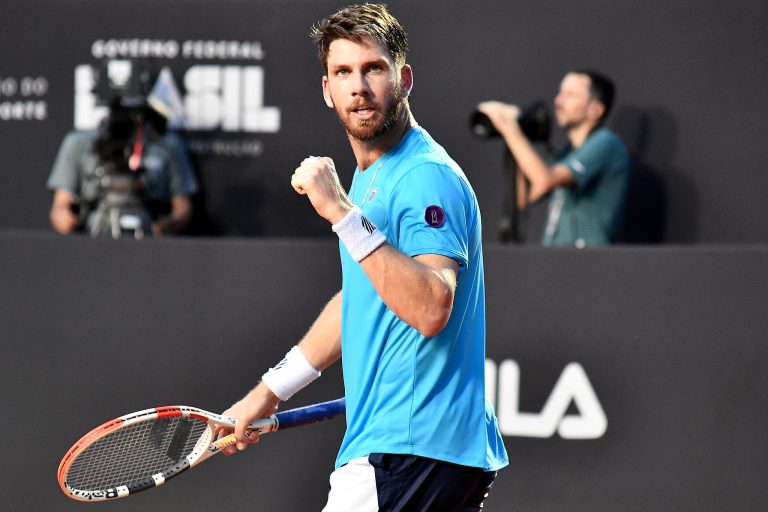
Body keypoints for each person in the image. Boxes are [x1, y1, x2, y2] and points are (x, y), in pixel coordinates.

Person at [218, 4, 508, 511]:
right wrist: (270, 391)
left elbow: (432, 307)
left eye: (374, 68)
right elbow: (362, 296)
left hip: (408, 448)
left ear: (404, 79)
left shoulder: (423, 175)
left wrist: (341, 214)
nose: (360, 86)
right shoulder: (372, 178)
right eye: (344, 72)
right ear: (327, 89)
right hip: (417, 451)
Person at [477, 70, 630, 247]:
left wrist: (510, 128)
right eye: (560, 93)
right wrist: (517, 137)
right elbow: (523, 198)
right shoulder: (567, 152)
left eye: (570, 95)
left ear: (595, 109)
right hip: (557, 258)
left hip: (587, 261)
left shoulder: (606, 143)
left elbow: (545, 180)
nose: (558, 101)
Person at [47, 97, 197, 239]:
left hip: (148, 241)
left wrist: (167, 226)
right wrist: (66, 219)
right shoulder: (79, 143)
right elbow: (60, 208)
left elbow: (183, 209)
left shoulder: (165, 146)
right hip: (94, 236)